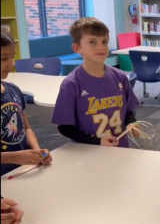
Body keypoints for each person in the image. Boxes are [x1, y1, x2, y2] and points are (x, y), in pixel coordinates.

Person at [52, 17, 139, 147]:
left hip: (120, 148)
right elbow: (65, 127)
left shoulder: (120, 77)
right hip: (88, 151)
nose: (101, 47)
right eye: (92, 42)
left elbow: (128, 111)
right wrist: (96, 141)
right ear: (77, 48)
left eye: (104, 42)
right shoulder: (71, 84)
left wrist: (131, 123)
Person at [1, 30, 52, 176]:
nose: (11, 63)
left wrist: (37, 151)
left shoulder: (14, 90)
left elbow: (26, 128)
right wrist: (15, 157)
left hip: (22, 171)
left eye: (12, 57)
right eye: (4, 58)